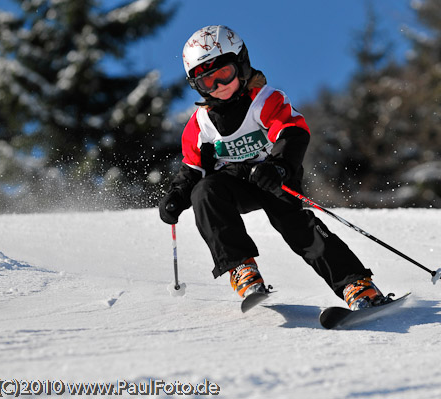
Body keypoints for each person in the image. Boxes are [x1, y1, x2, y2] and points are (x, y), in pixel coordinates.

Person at [159, 25, 388, 310]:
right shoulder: (201, 123)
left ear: (241, 64)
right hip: (234, 184)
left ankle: (357, 286)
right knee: (204, 192)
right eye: (208, 82)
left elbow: (293, 132)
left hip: (273, 176)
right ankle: (242, 269)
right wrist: (177, 195)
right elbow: (193, 169)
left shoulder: (265, 100)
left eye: (223, 74)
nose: (218, 86)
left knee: (297, 227)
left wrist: (279, 167)